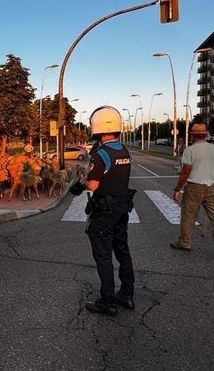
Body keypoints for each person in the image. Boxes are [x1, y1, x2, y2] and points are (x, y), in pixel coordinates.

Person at [70, 105, 136, 316]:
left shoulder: (101, 154)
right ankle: (126, 295)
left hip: (104, 211)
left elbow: (94, 185)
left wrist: (82, 182)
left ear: (97, 128)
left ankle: (107, 301)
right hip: (122, 208)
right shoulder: (125, 151)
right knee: (123, 251)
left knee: (103, 255)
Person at [171, 123, 214, 251]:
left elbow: (185, 172)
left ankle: (184, 242)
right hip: (211, 185)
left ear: (193, 136)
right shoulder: (213, 148)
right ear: (205, 135)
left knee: (188, 216)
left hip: (194, 187)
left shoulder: (190, 150)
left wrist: (177, 189)